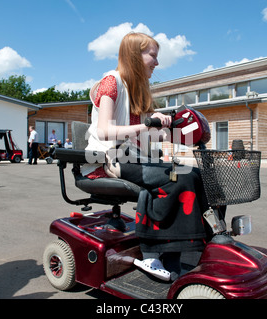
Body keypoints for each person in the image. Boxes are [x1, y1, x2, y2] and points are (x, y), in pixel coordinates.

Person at [83, 32, 209, 282]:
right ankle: (151, 253)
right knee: (173, 180)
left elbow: (147, 136)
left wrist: (170, 132)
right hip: (109, 159)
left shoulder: (137, 90)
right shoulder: (111, 82)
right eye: (153, 55)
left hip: (132, 155)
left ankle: (184, 242)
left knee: (194, 175)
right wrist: (146, 125)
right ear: (134, 55)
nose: (157, 62)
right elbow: (104, 131)